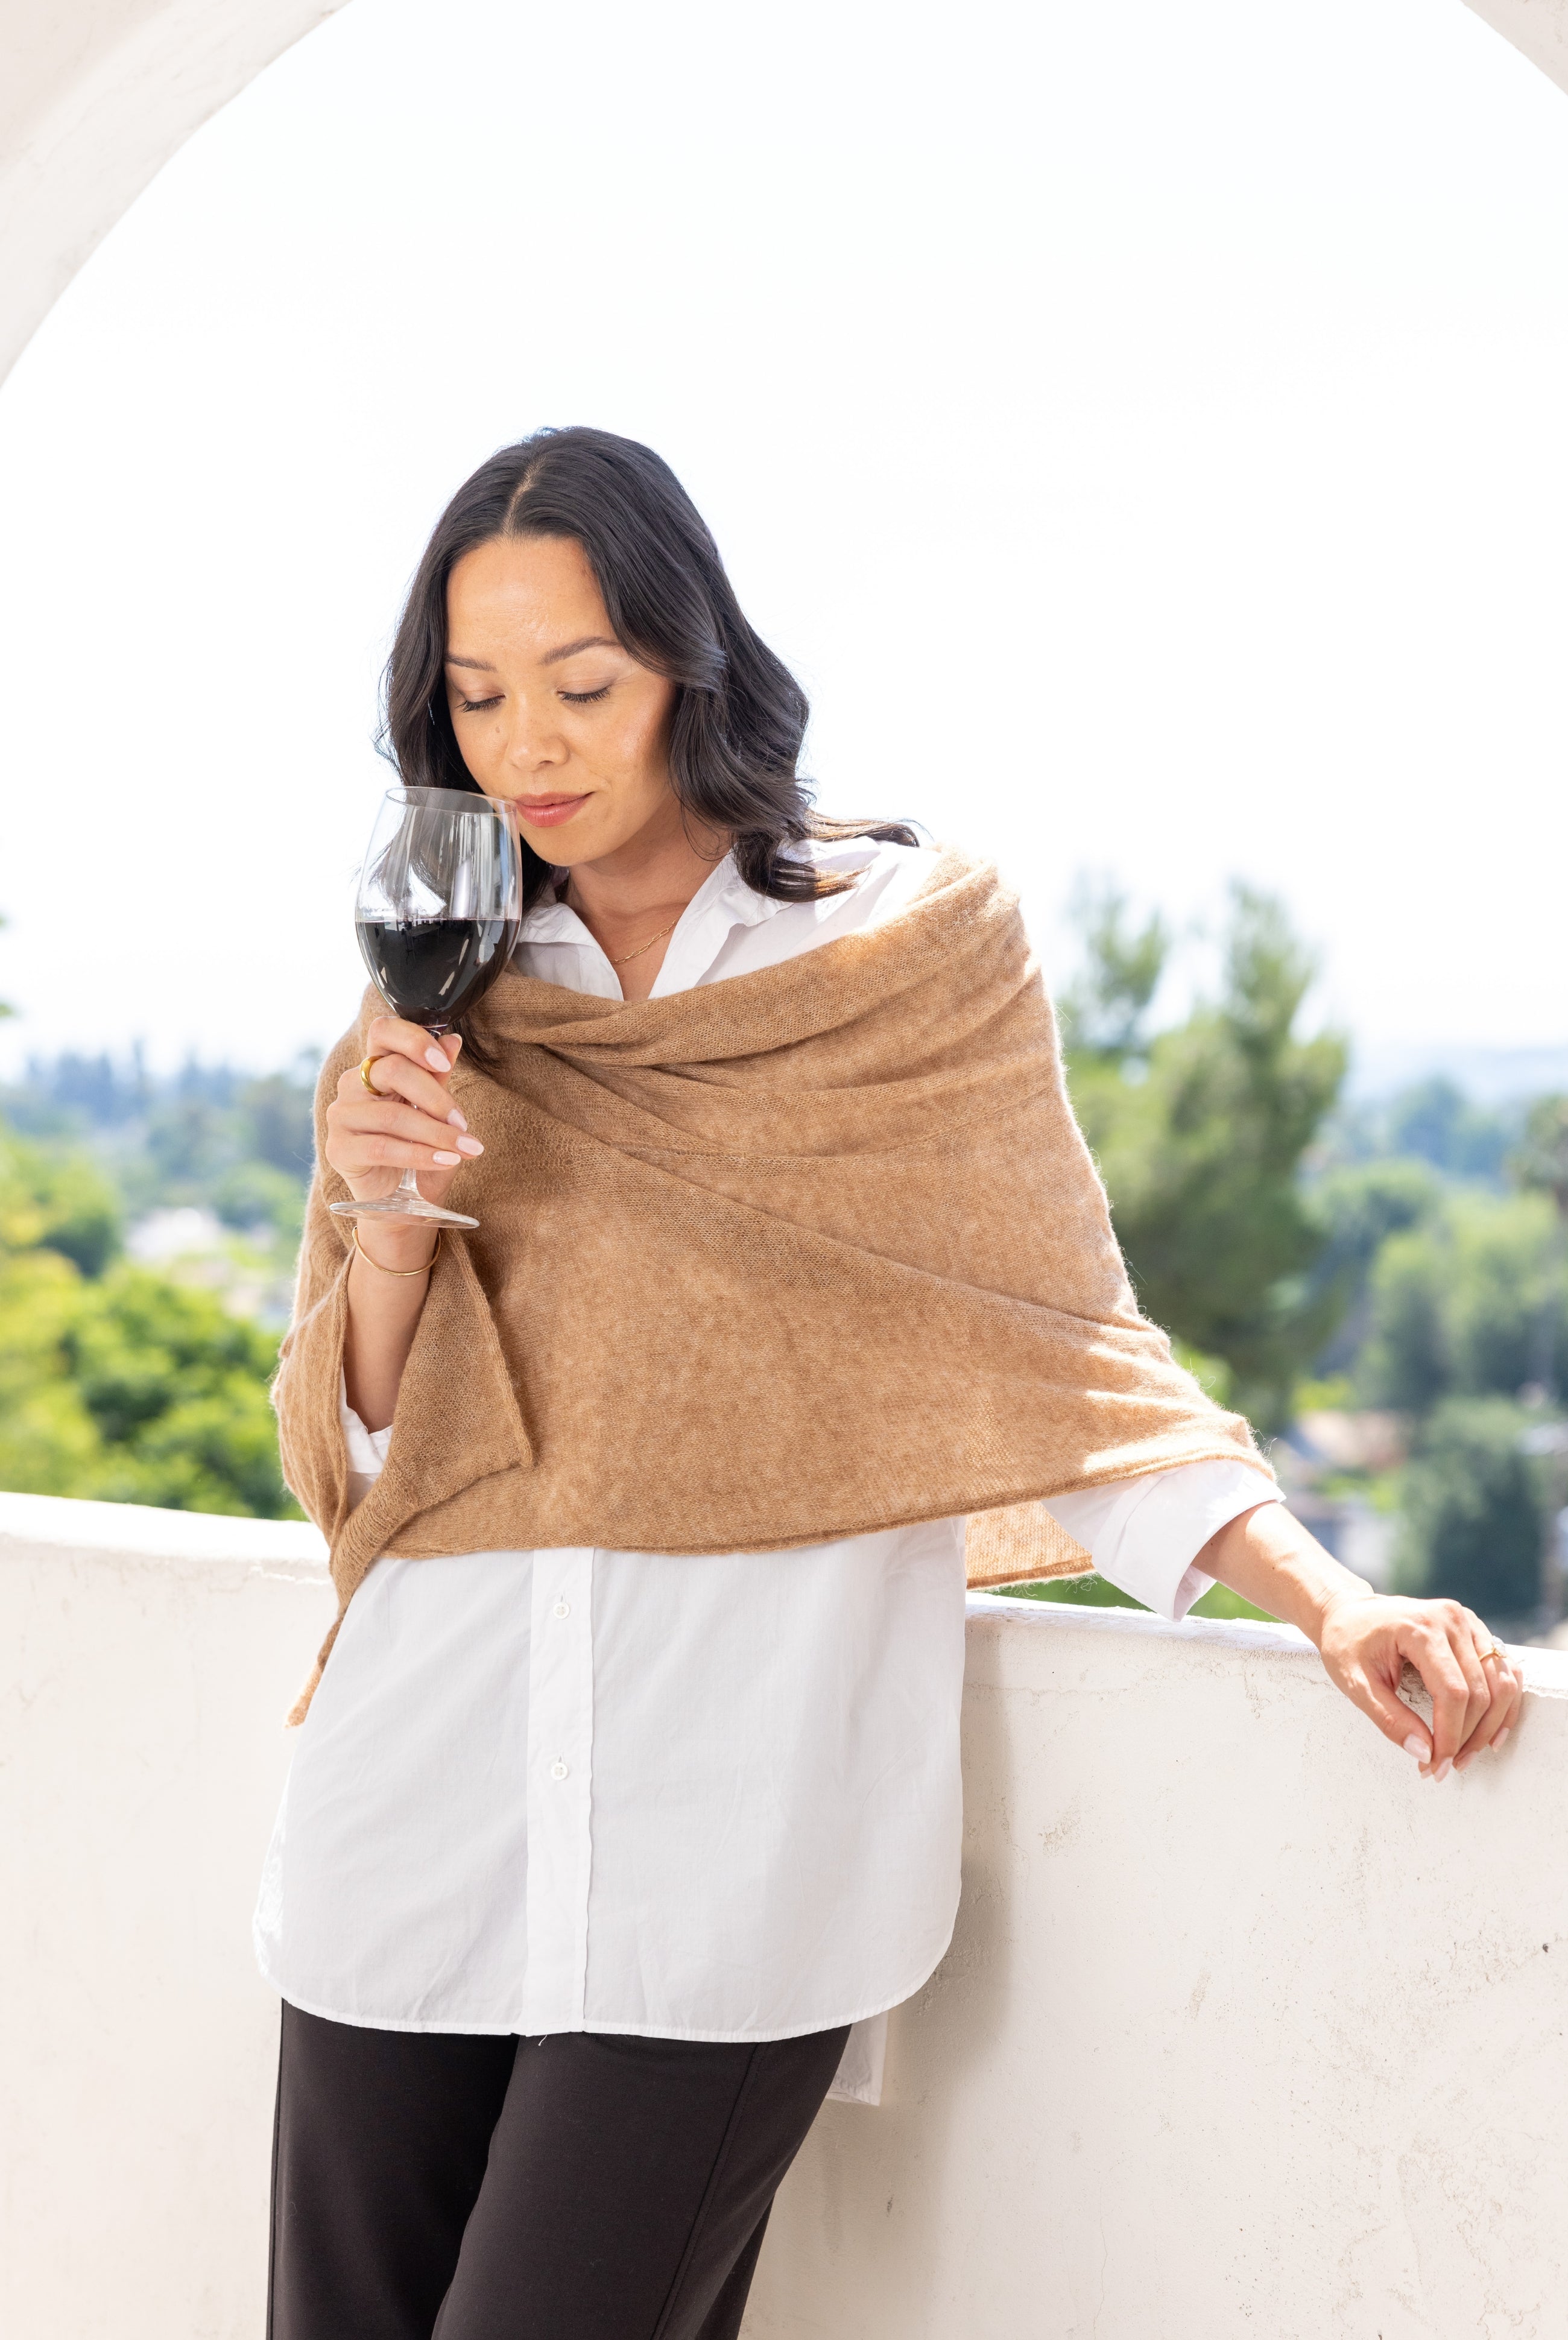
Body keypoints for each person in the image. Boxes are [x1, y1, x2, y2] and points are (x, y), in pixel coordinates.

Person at [259, 427, 1522, 2340]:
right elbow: (366, 1455)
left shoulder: (901, 952)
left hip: (733, 1856)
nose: (531, 744)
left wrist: (1329, 1599)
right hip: (411, 1819)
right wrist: (386, 1220)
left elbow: (1051, 1347)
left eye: (585, 684)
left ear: (692, 659)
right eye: (480, 694)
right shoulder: (440, 978)